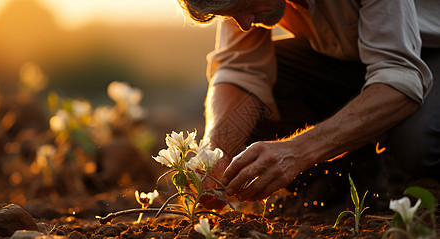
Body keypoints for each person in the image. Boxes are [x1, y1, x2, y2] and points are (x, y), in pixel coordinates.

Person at [176, 0, 440, 207]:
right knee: (249, 111)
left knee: (419, 143)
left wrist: (298, 151)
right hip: (354, 61)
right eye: (232, 15)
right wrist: (215, 151)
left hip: (425, 52)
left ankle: (397, 163)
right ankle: (354, 178)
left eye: (245, 6)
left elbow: (400, 80)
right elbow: (239, 70)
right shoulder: (243, 7)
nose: (244, 24)